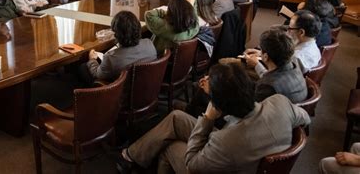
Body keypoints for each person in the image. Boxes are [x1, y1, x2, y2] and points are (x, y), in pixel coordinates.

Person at [118, 62, 311, 173]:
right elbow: (305, 120)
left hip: (226, 161)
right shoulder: (280, 103)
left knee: (171, 146)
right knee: (177, 117)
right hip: (241, 145)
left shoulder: (225, 141)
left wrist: (208, 118)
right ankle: (132, 155)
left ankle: (136, 158)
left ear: (219, 105)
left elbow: (192, 164)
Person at [78, 11, 157, 86]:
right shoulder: (150, 44)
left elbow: (97, 74)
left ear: (117, 35)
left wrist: (92, 60)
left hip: (122, 95)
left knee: (83, 68)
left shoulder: (110, 58)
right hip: (147, 89)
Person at [245, 28, 307, 103]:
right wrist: (257, 64)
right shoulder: (294, 66)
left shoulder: (267, 86)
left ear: (265, 57)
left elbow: (253, 108)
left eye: (261, 50)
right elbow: (274, 77)